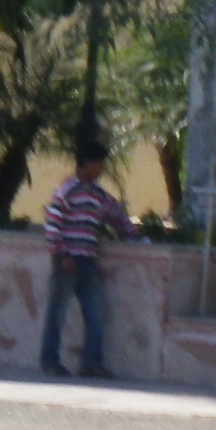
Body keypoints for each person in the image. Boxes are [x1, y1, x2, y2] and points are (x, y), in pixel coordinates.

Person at [41, 138, 142, 378]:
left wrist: (135, 235)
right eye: (99, 164)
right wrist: (62, 254)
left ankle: (91, 363)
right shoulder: (66, 190)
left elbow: (116, 215)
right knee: (57, 313)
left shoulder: (98, 195)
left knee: (95, 312)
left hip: (87, 260)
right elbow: (53, 225)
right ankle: (50, 361)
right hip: (67, 260)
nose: (101, 169)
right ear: (86, 163)